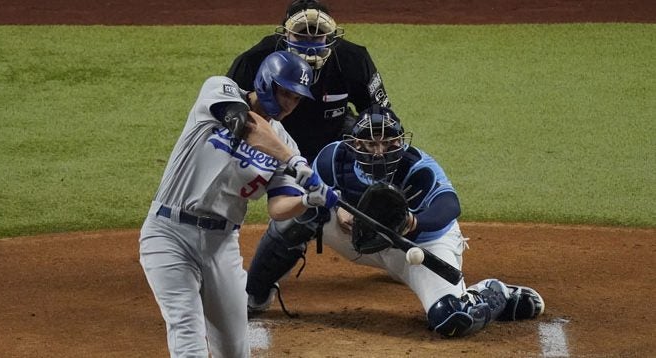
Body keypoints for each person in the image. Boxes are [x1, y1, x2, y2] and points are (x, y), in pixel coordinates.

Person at [245, 105, 545, 337]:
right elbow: (309, 196)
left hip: (415, 248)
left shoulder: (418, 167)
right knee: (304, 212)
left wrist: (412, 223)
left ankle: (495, 293)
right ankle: (253, 295)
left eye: (388, 143)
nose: (379, 151)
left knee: (452, 318)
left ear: (400, 142)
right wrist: (337, 209)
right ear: (354, 144)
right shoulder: (333, 160)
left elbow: (449, 205)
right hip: (358, 239)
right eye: (370, 143)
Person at [138, 51, 339, 357]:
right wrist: (292, 159)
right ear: (265, 81)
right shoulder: (220, 90)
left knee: (234, 349)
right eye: (284, 91)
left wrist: (307, 200)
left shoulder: (286, 144)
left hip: (221, 246)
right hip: (169, 233)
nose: (288, 103)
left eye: (296, 98)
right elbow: (246, 123)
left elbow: (278, 207)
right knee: (187, 334)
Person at [227, 0, 391, 163]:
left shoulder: (353, 59)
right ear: (285, 34)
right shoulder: (256, 59)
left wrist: (375, 147)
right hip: (273, 139)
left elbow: (378, 111)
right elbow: (229, 102)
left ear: (329, 36)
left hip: (333, 138)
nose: (309, 45)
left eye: (317, 36)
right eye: (300, 35)